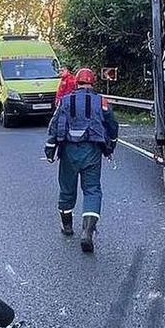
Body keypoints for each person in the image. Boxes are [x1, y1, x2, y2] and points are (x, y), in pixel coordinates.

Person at [44, 67, 119, 253]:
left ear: (76, 83)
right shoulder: (101, 101)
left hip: (68, 151)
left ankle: (67, 226)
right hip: (92, 150)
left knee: (67, 189)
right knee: (92, 190)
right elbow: (112, 125)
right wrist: (111, 146)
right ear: (93, 82)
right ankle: (87, 231)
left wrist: (50, 149)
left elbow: (54, 126)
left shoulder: (65, 101)